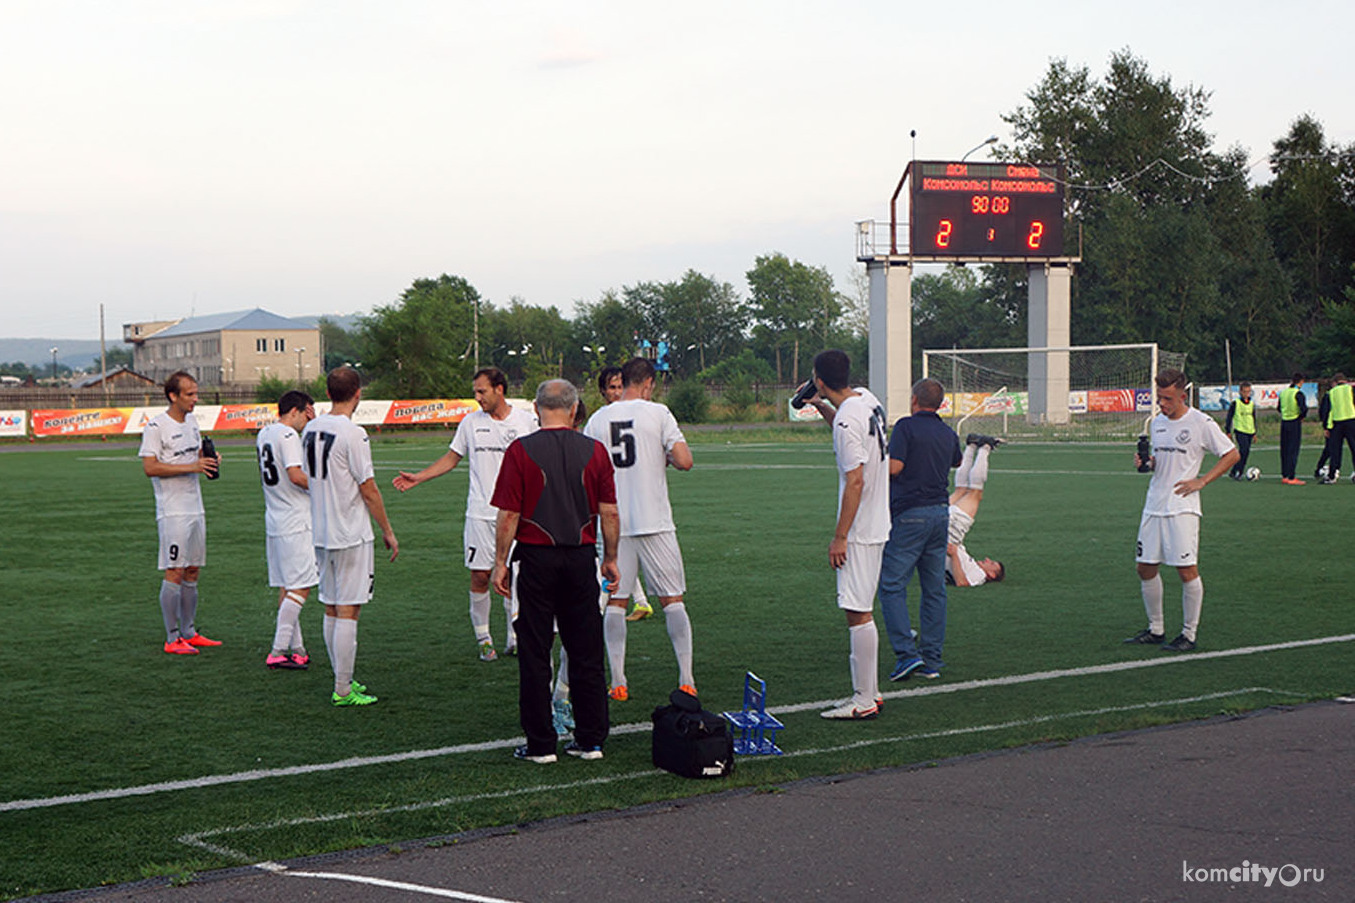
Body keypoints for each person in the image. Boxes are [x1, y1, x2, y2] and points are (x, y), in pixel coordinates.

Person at [491, 379, 619, 763]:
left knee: (534, 652)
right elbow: (609, 512)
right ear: (576, 407)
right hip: (580, 558)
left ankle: (540, 744)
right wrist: (610, 557)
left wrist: (500, 561)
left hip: (535, 559)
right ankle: (591, 738)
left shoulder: (521, 450)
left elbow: (509, 514)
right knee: (586, 650)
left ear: (536, 407)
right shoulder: (594, 451)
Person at [393, 367, 536, 661]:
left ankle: (515, 635)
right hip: (480, 514)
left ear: (499, 389)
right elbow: (451, 458)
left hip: (517, 516)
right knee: (481, 576)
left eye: (481, 391)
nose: (477, 397)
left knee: (515, 577)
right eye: (475, 392)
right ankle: (484, 638)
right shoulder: (471, 423)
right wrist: (419, 477)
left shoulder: (526, 422)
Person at [583, 356, 696, 701]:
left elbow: (586, 469)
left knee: (615, 602)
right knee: (671, 600)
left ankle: (618, 681)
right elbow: (685, 461)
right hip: (654, 521)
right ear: (647, 383)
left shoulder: (598, 418)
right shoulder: (658, 413)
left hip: (613, 524)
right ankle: (686, 679)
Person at [1125, 368, 1238, 653]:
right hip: (1154, 505)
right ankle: (1156, 629)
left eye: (1168, 399)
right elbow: (1161, 461)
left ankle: (1189, 634)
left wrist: (1202, 481)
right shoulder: (1157, 423)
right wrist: (1147, 464)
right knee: (1144, 567)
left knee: (1186, 571)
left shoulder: (1201, 422)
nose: (1162, 404)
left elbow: (1232, 454)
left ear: (1182, 396)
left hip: (1182, 509)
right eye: (1159, 398)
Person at [803, 350, 889, 720]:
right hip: (878, 521)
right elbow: (851, 427)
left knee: (857, 611)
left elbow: (855, 479)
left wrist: (840, 536)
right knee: (861, 608)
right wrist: (822, 407)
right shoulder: (867, 399)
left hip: (861, 529)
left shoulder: (846, 423)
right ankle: (871, 692)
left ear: (819, 379)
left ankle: (863, 699)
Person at [305, 367, 399, 706]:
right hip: (349, 531)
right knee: (348, 609)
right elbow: (368, 488)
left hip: (320, 529)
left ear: (329, 393)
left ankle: (341, 681)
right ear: (358, 393)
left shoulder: (311, 427)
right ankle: (343, 689)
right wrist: (387, 530)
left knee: (331, 606)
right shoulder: (353, 433)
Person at [877, 378, 962, 682]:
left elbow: (895, 467)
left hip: (910, 513)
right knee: (934, 589)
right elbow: (956, 461)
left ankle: (906, 654)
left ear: (914, 400)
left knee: (891, 585)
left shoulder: (905, 427)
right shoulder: (948, 433)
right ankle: (932, 659)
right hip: (940, 513)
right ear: (939, 404)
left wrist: (870, 468)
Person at [139, 370, 222, 655]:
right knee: (174, 571)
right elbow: (150, 467)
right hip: (173, 511)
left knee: (192, 570)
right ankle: (172, 637)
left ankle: (189, 631)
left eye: (196, 394)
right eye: (190, 394)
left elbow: (194, 457)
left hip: (195, 507)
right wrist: (192, 467)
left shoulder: (192, 422)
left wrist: (207, 459)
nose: (195, 399)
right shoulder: (156, 427)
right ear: (173, 396)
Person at [256, 390, 317, 669]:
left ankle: (297, 648)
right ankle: (278, 649)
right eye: (307, 412)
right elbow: (295, 475)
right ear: (295, 410)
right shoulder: (289, 435)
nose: (309, 419)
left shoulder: (264, 433)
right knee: (301, 586)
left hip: (275, 516)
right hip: (296, 519)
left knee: (288, 586)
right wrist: (325, 487)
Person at [598, 365, 654, 622]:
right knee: (617, 558)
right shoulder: (599, 419)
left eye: (620, 386)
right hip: (610, 501)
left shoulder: (642, 415)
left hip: (627, 504)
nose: (617, 392)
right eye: (612, 387)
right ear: (603, 391)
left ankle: (598, 609)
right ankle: (641, 602)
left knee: (609, 557)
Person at [946, 434, 1007, 587]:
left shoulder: (979, 576)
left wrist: (954, 555)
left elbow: (962, 583)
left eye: (991, 563)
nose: (987, 559)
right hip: (943, 533)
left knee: (975, 493)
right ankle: (971, 446)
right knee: (961, 490)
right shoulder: (973, 567)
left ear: (991, 574)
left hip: (950, 535)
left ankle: (985, 447)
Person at [1321, 373, 1355, 484]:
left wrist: (1327, 427)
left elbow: (1327, 411)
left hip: (1337, 423)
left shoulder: (1331, 393)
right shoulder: (1351, 389)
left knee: (1335, 451)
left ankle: (1332, 476)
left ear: (1335, 382)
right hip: (1351, 421)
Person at [1278, 372, 1307, 485]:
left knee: (1284, 450)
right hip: (1294, 423)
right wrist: (1301, 417)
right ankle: (1291, 476)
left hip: (1284, 422)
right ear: (1301, 382)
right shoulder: (1298, 393)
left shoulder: (1283, 393)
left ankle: (1285, 475)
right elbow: (1304, 409)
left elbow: (1278, 408)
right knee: (1293, 450)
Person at [1224, 382, 1256, 481]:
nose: (1247, 394)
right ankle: (1239, 472)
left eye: (1249, 392)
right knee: (1243, 450)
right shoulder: (1236, 403)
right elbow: (1229, 417)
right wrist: (1228, 430)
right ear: (1240, 392)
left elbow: (1253, 418)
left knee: (1246, 453)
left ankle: (1234, 471)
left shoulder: (1251, 404)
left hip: (1250, 431)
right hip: (1240, 430)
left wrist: (1255, 432)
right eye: (1245, 392)